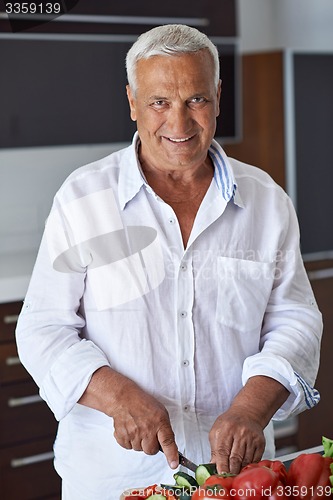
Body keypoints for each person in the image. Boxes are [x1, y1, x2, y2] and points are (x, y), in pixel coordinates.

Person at [16, 24, 322, 499]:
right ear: (133, 102)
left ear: (219, 97)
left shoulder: (267, 201)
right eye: (160, 102)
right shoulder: (83, 199)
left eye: (196, 100)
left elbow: (295, 318)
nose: (178, 125)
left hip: (235, 477)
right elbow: (41, 328)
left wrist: (252, 408)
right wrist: (117, 397)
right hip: (114, 477)